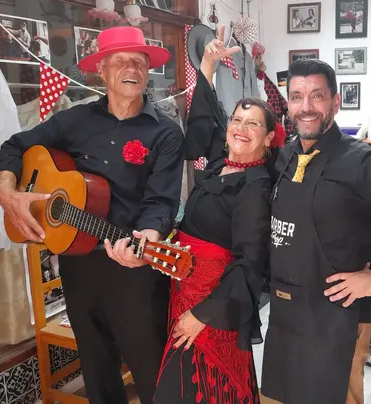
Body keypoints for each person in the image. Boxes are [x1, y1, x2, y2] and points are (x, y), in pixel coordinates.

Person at [0, 26, 183, 404]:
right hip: (77, 265)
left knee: (153, 374)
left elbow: (161, 202)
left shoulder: (166, 132)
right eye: (121, 61)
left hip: (134, 267)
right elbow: (13, 148)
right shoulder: (74, 121)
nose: (132, 69)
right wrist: (8, 193)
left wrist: (147, 241)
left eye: (139, 62)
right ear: (102, 71)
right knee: (96, 372)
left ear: (148, 71)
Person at [261, 59, 371, 404]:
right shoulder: (285, 157)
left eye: (317, 96)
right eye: (297, 97)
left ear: (335, 102)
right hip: (285, 314)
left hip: (337, 318)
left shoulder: (361, 161)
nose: (306, 107)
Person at [152, 25, 282, 404]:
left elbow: (250, 265)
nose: (241, 128)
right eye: (237, 120)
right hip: (183, 291)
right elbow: (203, 122)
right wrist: (207, 66)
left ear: (268, 138)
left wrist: (202, 315)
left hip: (211, 308)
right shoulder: (217, 166)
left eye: (253, 123)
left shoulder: (255, 188)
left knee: (195, 389)